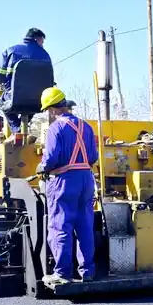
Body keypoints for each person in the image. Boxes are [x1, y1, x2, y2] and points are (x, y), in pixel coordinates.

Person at [36, 87, 98, 286]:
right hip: (86, 180)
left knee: (60, 225)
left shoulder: (56, 128)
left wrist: (41, 167)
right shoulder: (86, 127)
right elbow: (93, 157)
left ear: (52, 109)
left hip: (64, 181)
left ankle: (62, 273)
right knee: (85, 226)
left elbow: (51, 158)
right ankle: (87, 272)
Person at [0, 28, 53, 133]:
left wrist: (6, 86)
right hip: (39, 99)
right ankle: (23, 128)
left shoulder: (10, 51)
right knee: (31, 107)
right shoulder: (45, 55)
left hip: (15, 97)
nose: (43, 45)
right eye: (42, 42)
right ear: (37, 39)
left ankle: (16, 129)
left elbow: (0, 75)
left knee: (3, 103)